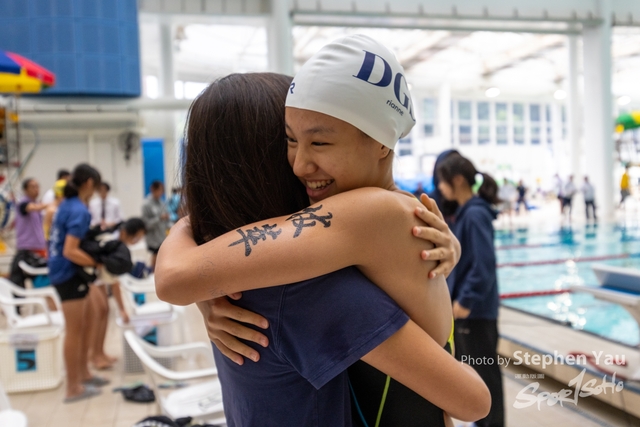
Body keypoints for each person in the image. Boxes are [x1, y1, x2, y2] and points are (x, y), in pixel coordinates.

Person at [156, 37, 488, 426]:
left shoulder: (364, 218)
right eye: (289, 141)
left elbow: (177, 276)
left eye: (320, 141)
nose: (298, 165)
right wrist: (206, 293)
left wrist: (201, 266)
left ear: (381, 142)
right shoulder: (388, 209)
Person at [435, 153, 504, 427]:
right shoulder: (468, 212)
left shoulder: (474, 214)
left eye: (442, 182)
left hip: (475, 313)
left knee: (485, 379)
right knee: (478, 376)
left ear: (458, 180)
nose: (440, 188)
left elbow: (483, 265)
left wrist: (465, 301)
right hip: (473, 312)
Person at [48, 163, 107, 402]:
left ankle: (83, 374)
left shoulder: (68, 204)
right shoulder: (78, 210)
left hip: (67, 271)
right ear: (90, 183)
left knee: (89, 319)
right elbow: (70, 250)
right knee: (74, 330)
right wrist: (96, 263)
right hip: (68, 273)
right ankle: (72, 387)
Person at [86, 218, 146, 370]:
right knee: (99, 311)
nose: (136, 242)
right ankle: (93, 355)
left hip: (98, 276)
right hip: (88, 274)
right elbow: (114, 283)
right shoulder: (110, 242)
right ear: (125, 233)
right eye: (135, 238)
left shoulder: (117, 245)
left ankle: (100, 352)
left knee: (104, 311)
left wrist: (122, 308)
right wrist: (122, 309)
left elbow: (113, 280)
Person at [9, 178, 48, 290]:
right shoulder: (24, 203)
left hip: (39, 248)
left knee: (41, 280)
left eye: (37, 186)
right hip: (27, 249)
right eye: (33, 187)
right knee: (18, 280)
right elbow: (31, 207)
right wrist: (54, 203)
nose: (36, 189)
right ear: (26, 190)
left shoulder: (37, 205)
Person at [142, 180, 169, 269]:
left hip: (162, 236)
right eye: (159, 190)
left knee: (161, 258)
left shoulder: (161, 202)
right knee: (155, 258)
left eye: (162, 190)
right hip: (153, 238)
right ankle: (153, 273)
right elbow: (146, 224)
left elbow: (166, 219)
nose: (161, 192)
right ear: (153, 189)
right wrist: (159, 218)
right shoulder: (146, 204)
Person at [43, 179, 66, 243]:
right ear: (59, 195)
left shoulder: (62, 207)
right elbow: (46, 228)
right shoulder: (51, 209)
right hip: (53, 241)